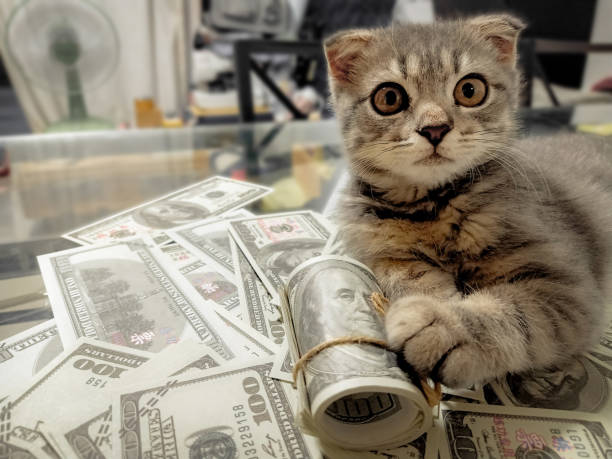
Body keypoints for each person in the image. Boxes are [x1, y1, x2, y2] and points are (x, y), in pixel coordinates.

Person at [132, 201, 210, 229]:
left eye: (172, 207)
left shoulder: (202, 213)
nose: (175, 209)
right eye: (164, 211)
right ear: (162, 219)